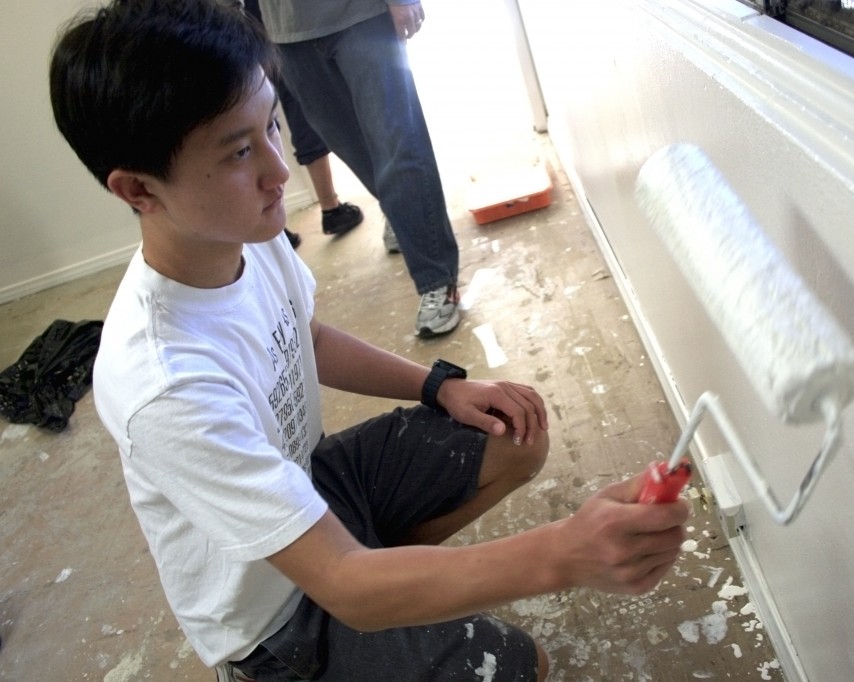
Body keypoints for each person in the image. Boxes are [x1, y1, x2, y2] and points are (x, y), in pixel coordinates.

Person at [48, 2, 690, 680]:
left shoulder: (242, 233)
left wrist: (441, 385)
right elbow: (346, 584)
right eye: (239, 151)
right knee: (517, 667)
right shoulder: (165, 383)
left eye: (271, 123)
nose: (278, 171)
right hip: (272, 618)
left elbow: (309, 337)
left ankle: (389, 584)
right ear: (138, 190)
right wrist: (562, 554)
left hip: (314, 484)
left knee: (512, 430)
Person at [256, 0, 464, 338]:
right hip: (287, 32)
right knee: (345, 142)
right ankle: (404, 215)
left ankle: (437, 278)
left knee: (398, 143)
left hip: (362, 15)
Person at [241, 0, 364, 249]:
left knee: (250, 122)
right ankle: (329, 207)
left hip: (233, 24)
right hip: (269, 19)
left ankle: (271, 227)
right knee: (295, 109)